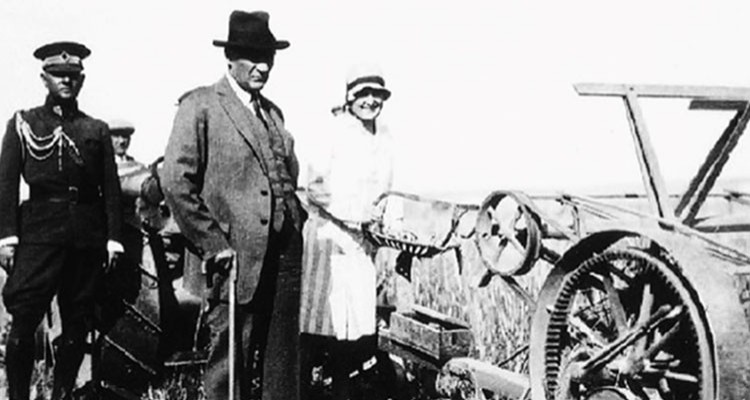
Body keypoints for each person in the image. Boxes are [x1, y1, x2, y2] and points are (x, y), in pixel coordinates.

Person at [161, 10, 306, 400]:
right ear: (229, 59)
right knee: (230, 364)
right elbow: (175, 181)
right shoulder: (202, 105)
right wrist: (214, 243)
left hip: (283, 255)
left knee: (281, 364)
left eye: (268, 58)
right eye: (253, 57)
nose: (263, 67)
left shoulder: (273, 113)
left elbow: (287, 177)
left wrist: (295, 221)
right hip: (233, 257)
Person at [0, 41, 123, 400]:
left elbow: (110, 189)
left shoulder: (96, 129)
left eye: (73, 75)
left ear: (81, 80)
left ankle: (62, 394)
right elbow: (7, 184)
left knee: (77, 322)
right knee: (24, 320)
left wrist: (113, 239)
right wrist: (7, 237)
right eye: (58, 74)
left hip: (85, 237)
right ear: (45, 78)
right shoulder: (24, 123)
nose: (66, 81)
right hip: (38, 235)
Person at [301, 64, 395, 400]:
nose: (370, 101)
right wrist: (356, 215)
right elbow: (314, 186)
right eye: (363, 94)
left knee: (355, 331)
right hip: (329, 239)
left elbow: (385, 191)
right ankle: (302, 391)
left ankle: (342, 391)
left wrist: (382, 220)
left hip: (363, 246)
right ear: (349, 97)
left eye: (377, 94)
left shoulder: (384, 138)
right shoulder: (334, 131)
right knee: (320, 325)